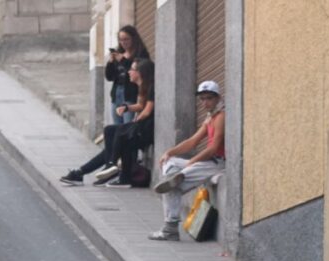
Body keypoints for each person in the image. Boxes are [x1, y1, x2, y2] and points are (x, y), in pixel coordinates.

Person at [149, 80, 227, 241]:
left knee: (171, 187)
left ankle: (170, 229)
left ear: (218, 97)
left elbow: (213, 148)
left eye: (209, 98)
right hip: (205, 162)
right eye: (202, 98)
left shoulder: (221, 116)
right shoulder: (210, 117)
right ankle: (172, 178)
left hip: (216, 163)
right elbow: (193, 141)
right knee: (169, 163)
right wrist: (169, 152)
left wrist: (192, 162)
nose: (205, 102)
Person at [60, 58, 154, 188]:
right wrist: (127, 108)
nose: (129, 72)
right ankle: (108, 168)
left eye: (132, 69)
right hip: (140, 127)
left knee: (120, 133)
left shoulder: (151, 87)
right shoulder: (142, 87)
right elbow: (140, 106)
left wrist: (134, 122)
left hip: (146, 130)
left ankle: (109, 165)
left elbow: (147, 111)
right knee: (110, 131)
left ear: (141, 72)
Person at [104, 25, 148, 125]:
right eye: (121, 40)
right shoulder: (119, 54)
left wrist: (123, 60)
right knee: (117, 127)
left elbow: (140, 72)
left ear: (133, 38)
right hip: (117, 94)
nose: (123, 42)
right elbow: (109, 77)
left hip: (131, 95)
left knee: (128, 127)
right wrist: (111, 62)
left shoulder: (140, 54)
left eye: (126, 39)